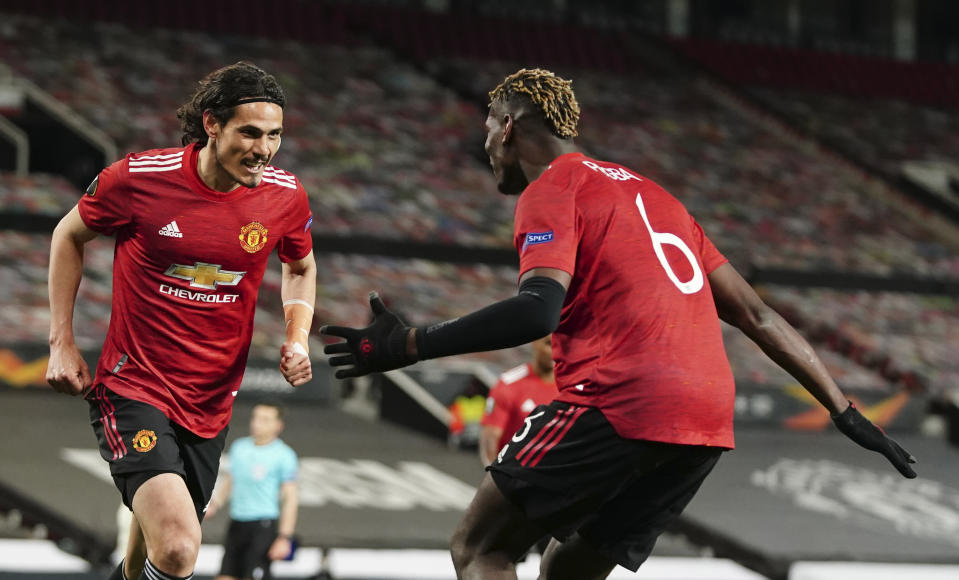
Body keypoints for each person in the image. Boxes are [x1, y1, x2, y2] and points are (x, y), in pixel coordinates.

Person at [319, 68, 917, 580]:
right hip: (706, 421)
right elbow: (756, 313)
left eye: (486, 131)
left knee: (480, 547)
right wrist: (845, 411)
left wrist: (410, 343)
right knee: (564, 571)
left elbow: (536, 309)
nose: (485, 148)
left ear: (507, 127)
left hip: (623, 400)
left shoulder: (553, 187)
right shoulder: (659, 197)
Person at [46, 61, 317, 580]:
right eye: (250, 133)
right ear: (212, 124)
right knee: (176, 548)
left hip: (211, 401)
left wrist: (297, 338)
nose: (264, 149)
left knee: (146, 556)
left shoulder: (284, 195)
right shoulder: (138, 179)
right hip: (135, 383)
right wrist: (61, 341)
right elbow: (68, 235)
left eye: (275, 135)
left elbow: (301, 266)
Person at [206, 401, 299, 580]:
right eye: (255, 418)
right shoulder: (239, 447)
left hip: (262, 526)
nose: (256, 423)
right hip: (237, 523)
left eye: (265, 419)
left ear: (278, 426)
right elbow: (231, 480)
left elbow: (290, 498)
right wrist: (216, 504)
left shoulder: (284, 455)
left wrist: (285, 537)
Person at [479, 336, 556, 467]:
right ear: (535, 342)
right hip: (513, 473)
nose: (555, 350)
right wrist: (497, 475)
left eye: (561, 343)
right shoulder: (509, 383)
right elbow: (490, 439)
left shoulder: (572, 385)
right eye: (549, 343)